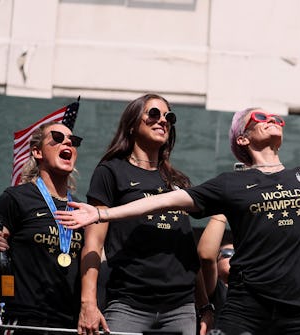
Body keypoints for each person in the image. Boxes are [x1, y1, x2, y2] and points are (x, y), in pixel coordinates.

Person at [57, 81, 300, 335]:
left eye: (276, 118)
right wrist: (103, 213)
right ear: (243, 137)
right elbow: (167, 199)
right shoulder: (231, 184)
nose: (273, 120)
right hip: (246, 312)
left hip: (299, 317)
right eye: (261, 118)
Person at [76, 94, 212, 335]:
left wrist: (203, 305)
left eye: (169, 116)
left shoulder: (178, 181)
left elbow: (187, 249)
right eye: (153, 114)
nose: (163, 121)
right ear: (131, 124)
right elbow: (93, 244)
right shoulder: (110, 172)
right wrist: (88, 303)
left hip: (181, 308)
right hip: (128, 306)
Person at [0, 122, 85, 333]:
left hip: (69, 323)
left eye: (73, 141)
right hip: (26, 319)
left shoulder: (81, 208)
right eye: (57, 137)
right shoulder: (16, 198)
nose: (67, 142)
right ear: (37, 152)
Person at [197, 214, 234, 324]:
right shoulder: (215, 289)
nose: (234, 257)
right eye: (228, 254)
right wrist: (221, 215)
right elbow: (207, 257)